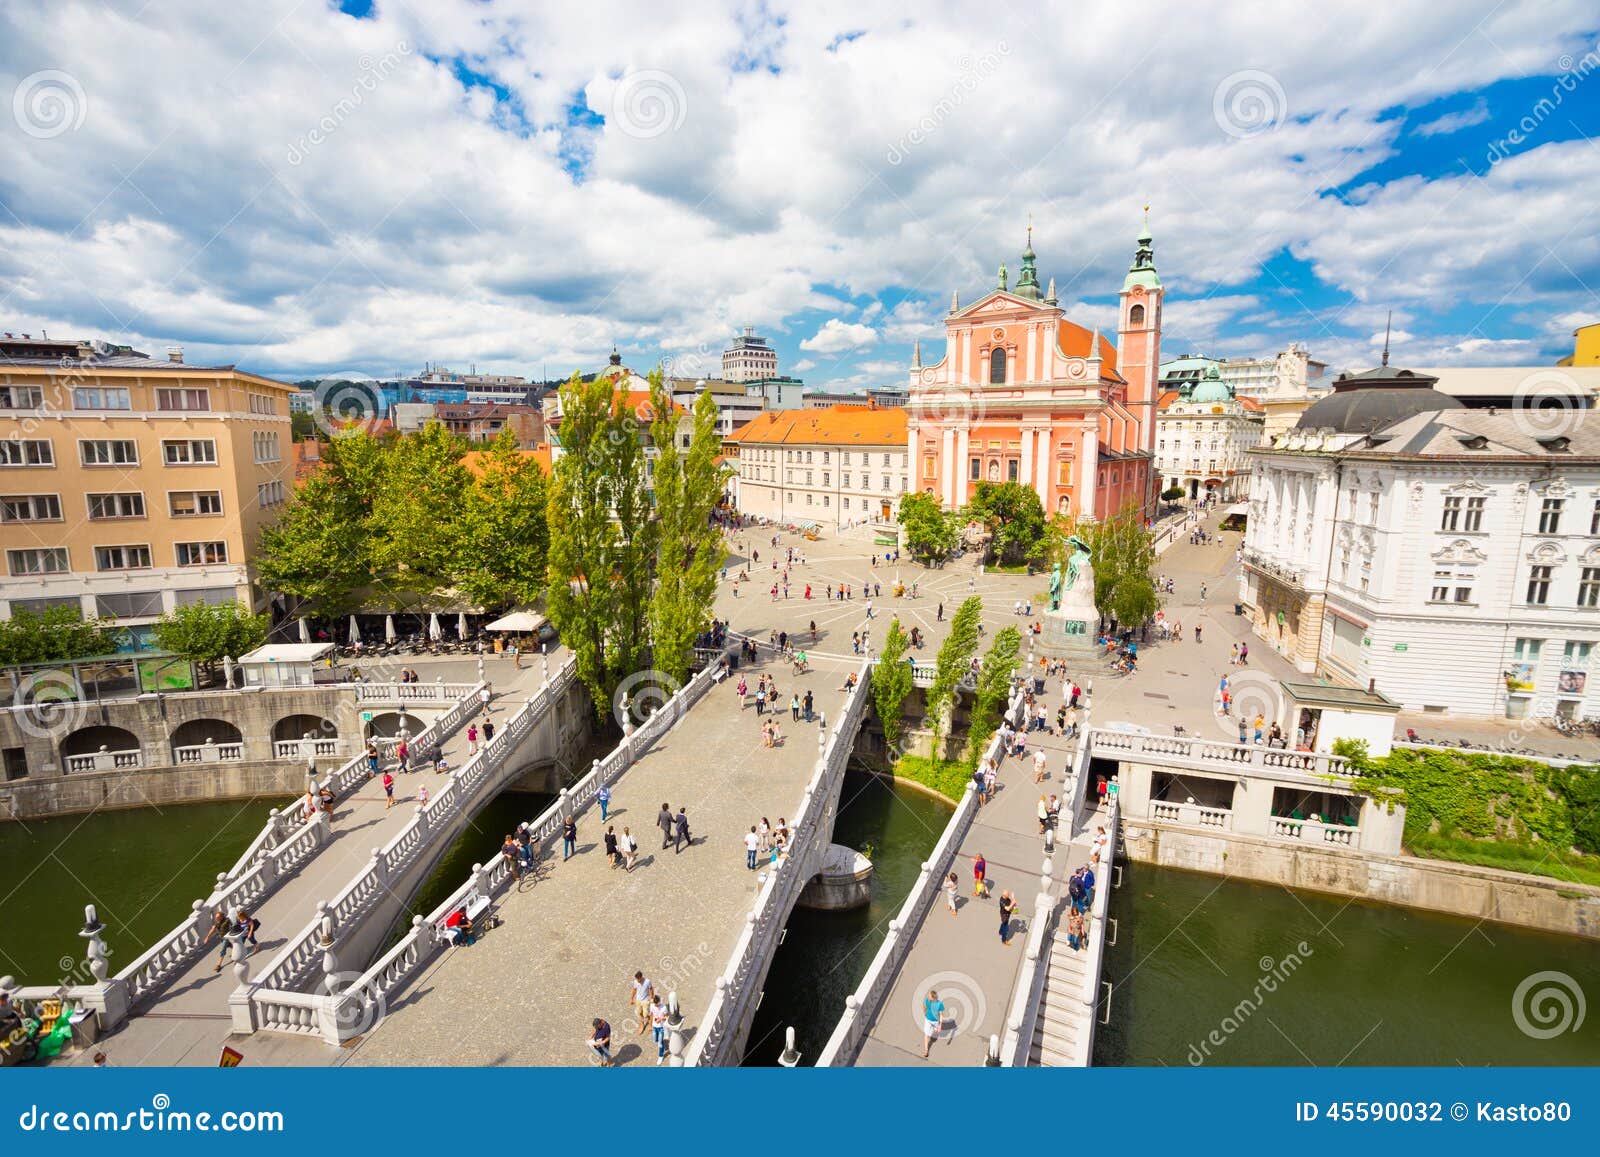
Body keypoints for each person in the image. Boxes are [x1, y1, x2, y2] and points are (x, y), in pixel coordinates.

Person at [921, 989, 946, 1059]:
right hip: (928, 1020)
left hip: (935, 1021)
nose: (928, 996)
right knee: (926, 1035)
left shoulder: (939, 1004)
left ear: (933, 997)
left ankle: (934, 1033)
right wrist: (924, 1012)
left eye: (929, 996)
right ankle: (926, 1050)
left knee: (935, 1032)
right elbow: (925, 1006)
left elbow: (941, 1014)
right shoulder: (927, 1000)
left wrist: (940, 1025)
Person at [649, 992, 669, 1065]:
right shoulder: (652, 1006)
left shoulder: (663, 1007)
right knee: (655, 1040)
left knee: (660, 1043)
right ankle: (662, 1044)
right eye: (655, 1004)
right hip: (654, 1026)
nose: (656, 1006)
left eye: (657, 1004)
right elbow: (651, 1015)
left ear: (659, 1001)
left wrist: (661, 1019)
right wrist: (650, 1025)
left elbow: (667, 1017)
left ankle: (661, 1056)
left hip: (661, 1027)